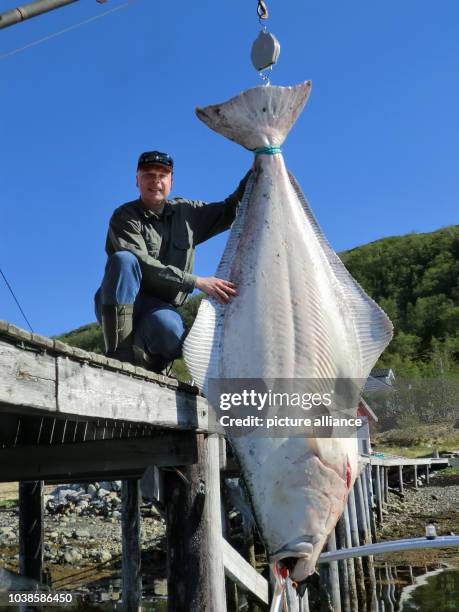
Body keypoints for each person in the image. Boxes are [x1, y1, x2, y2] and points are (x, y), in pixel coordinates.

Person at [94, 151, 250, 373]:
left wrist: (255, 170)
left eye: (162, 175)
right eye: (148, 175)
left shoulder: (187, 212)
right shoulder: (124, 216)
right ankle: (119, 356)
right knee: (124, 259)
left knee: (171, 332)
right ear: (136, 180)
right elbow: (142, 263)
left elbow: (230, 210)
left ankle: (153, 363)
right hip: (126, 300)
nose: (155, 181)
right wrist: (196, 281)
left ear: (171, 181)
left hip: (162, 308)